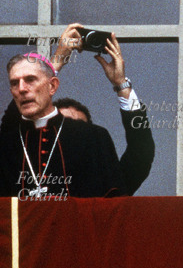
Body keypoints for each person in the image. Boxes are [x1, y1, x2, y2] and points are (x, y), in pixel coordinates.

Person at [0, 52, 127, 198]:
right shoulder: (5, 145)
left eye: (30, 79)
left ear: (52, 86)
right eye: (15, 83)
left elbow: (115, 203)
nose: (21, 89)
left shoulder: (93, 137)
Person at [50, 24, 155, 195]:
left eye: (80, 127)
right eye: (65, 125)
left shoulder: (108, 183)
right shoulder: (31, 173)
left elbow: (141, 150)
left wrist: (121, 85)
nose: (73, 132)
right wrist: (56, 63)